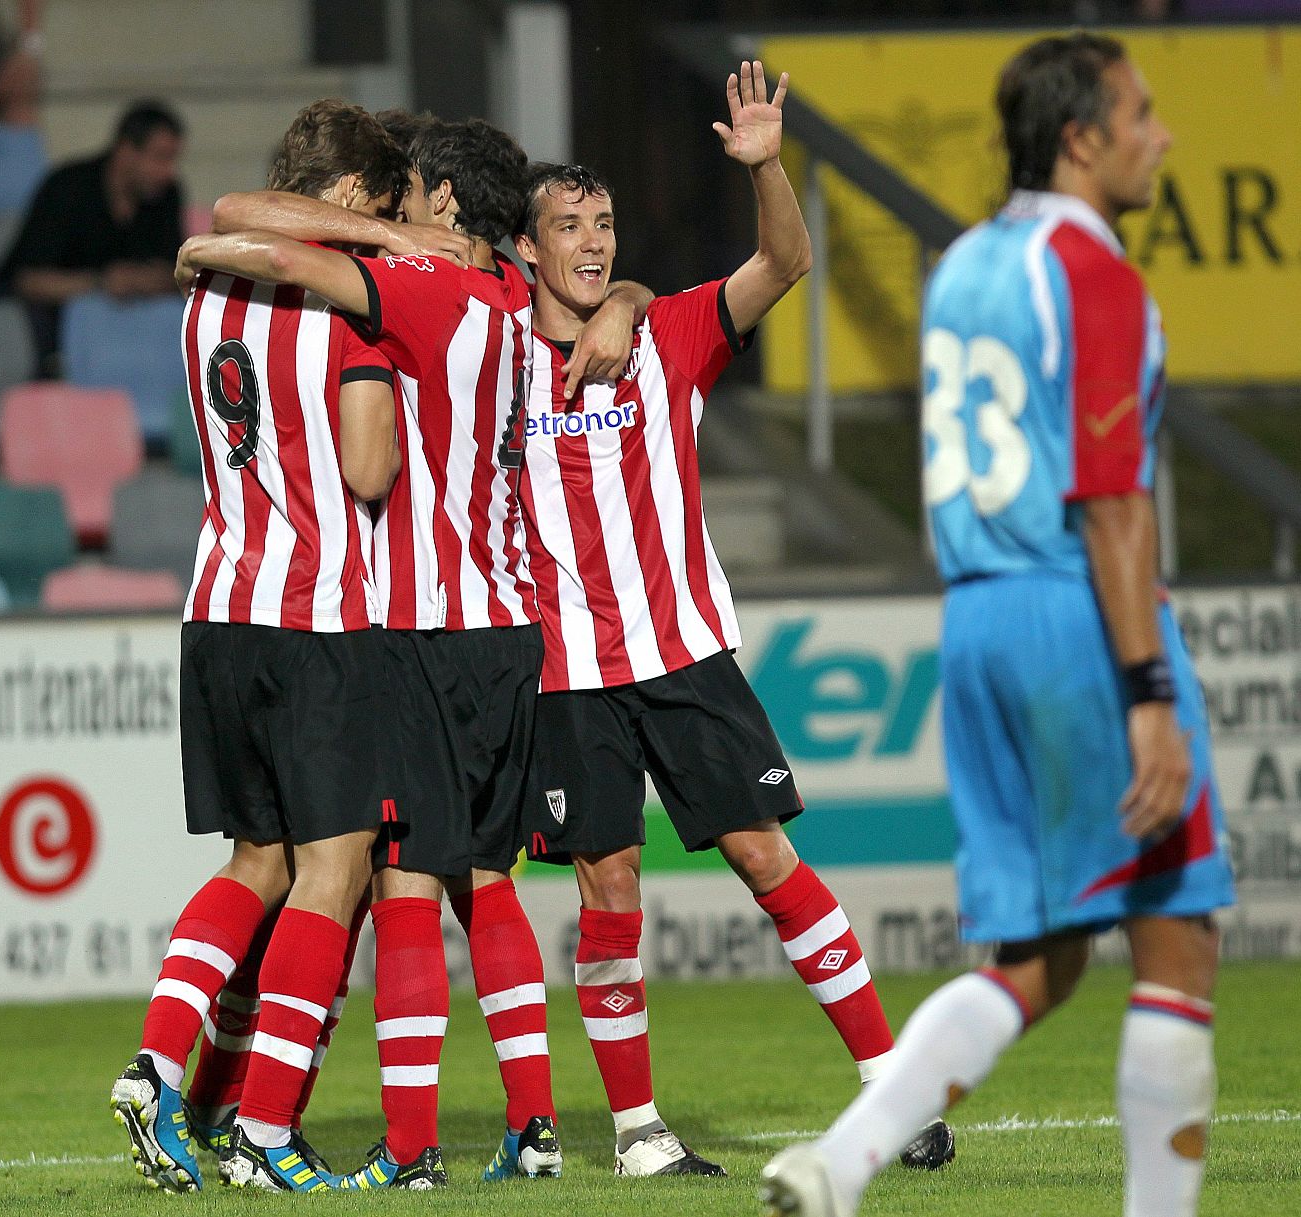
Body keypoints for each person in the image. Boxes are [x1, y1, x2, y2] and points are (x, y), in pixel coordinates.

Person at [760, 34, 1237, 1217]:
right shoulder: (1096, 272)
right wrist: (1148, 696)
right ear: (1082, 137)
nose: (1160, 134)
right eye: (1141, 113)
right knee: (1177, 935)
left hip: (972, 618)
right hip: (1075, 612)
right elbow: (1113, 498)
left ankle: (846, 1154)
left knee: (1038, 957)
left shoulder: (965, 261)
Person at [177, 115, 652, 1191]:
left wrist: (211, 249)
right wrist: (620, 295)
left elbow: (272, 240)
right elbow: (609, 302)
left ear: (443, 206)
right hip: (504, 620)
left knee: (395, 884)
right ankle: (531, 1126)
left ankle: (404, 1147)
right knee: (486, 879)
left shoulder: (431, 294)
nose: (398, 217)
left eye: (413, 201)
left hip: (423, 625)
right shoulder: (520, 310)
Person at [510, 62, 952, 1178]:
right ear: (528, 249)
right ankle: (637, 1132)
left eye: (604, 224)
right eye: (569, 227)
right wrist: (615, 303)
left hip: (684, 650)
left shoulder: (672, 333)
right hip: (564, 669)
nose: (594, 243)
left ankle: (888, 1086)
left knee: (766, 853)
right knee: (610, 889)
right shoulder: (496, 356)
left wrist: (765, 168)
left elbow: (785, 263)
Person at [109, 99, 424, 1195]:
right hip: (317, 609)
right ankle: (266, 1129)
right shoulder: (346, 315)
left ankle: (158, 1063)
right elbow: (372, 471)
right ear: (345, 204)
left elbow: (220, 233)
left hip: (218, 604)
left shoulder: (206, 295)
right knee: (335, 869)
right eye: (382, 208)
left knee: (257, 862)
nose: (392, 226)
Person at [0, 98, 184, 376]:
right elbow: (25, 280)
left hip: (137, 348)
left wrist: (140, 281)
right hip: (55, 345)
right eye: (160, 158)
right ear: (127, 150)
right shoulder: (67, 189)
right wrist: (100, 283)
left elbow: (178, 274)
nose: (167, 171)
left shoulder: (166, 195)